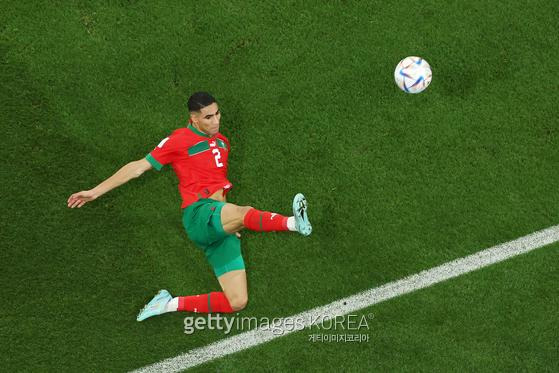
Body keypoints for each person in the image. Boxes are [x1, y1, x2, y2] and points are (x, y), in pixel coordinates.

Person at [67, 92, 312, 321]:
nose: (215, 121)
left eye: (217, 114)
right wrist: (95, 192)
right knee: (245, 211)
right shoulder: (179, 140)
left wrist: (229, 223)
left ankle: (168, 304)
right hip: (198, 214)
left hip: (217, 222)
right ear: (193, 119)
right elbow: (138, 167)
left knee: (237, 302)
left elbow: (218, 187)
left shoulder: (223, 143)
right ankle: (293, 223)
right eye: (208, 117)